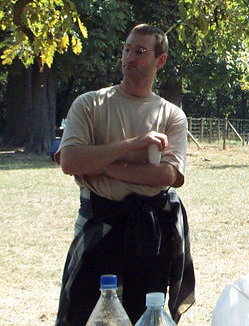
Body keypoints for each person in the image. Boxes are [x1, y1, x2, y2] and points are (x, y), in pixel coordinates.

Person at [54, 24, 195, 326]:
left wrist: (102, 165)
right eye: (127, 49)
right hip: (98, 227)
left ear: (160, 60)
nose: (129, 57)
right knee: (85, 315)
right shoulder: (89, 104)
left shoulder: (171, 115)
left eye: (140, 51)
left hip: (150, 235)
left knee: (144, 316)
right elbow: (70, 160)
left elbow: (166, 175)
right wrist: (134, 144)